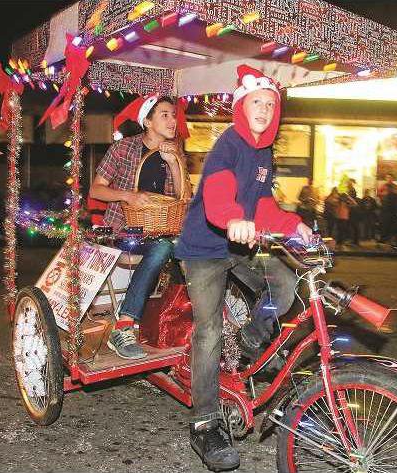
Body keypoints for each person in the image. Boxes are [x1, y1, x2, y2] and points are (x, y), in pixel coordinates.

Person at [174, 65, 313, 472]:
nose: (264, 109)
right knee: (209, 330)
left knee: (284, 286)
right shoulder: (228, 145)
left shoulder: (263, 153)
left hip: (240, 244)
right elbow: (218, 194)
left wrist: (293, 224)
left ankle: (252, 340)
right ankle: (204, 423)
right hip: (204, 247)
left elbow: (263, 205)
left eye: (271, 104)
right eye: (257, 102)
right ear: (241, 106)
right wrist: (232, 217)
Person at [90, 96, 187, 360]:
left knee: (193, 247)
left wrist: (173, 163)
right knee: (163, 248)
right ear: (148, 121)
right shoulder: (123, 148)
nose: (173, 120)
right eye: (165, 115)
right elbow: (96, 189)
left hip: (159, 228)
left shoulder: (174, 151)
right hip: (122, 231)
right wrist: (128, 196)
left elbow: (181, 197)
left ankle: (184, 321)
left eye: (173, 115)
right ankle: (124, 325)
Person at [378, 174, 397, 243]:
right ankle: (383, 238)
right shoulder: (382, 186)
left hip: (393, 209)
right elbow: (378, 195)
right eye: (387, 177)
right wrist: (385, 194)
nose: (389, 179)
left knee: (393, 224)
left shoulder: (396, 187)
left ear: (393, 179)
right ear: (385, 178)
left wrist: (393, 193)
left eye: (390, 178)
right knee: (384, 223)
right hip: (385, 208)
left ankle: (391, 239)